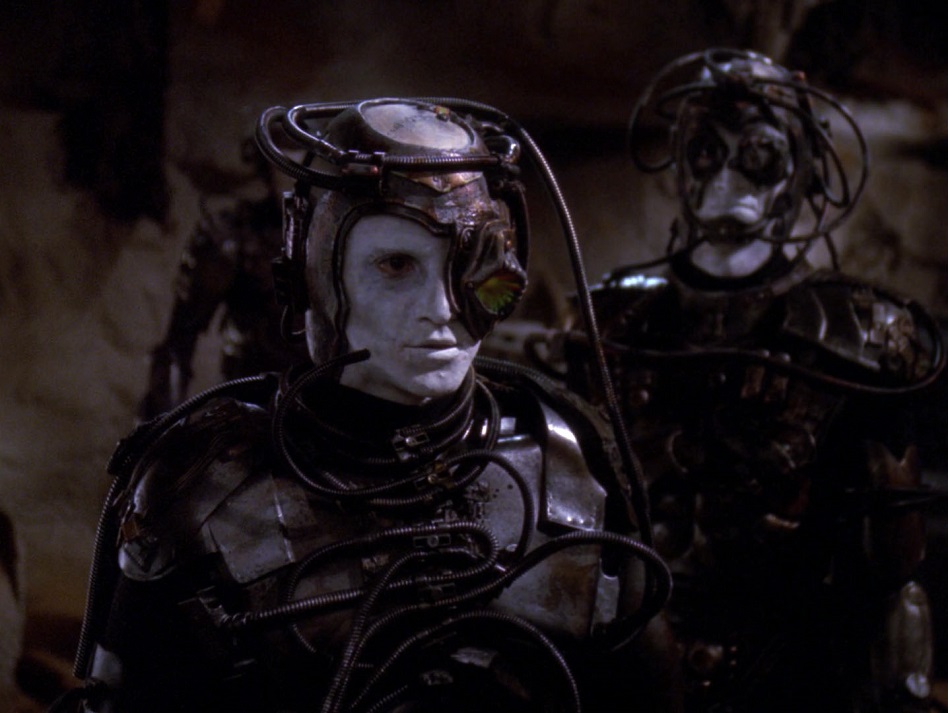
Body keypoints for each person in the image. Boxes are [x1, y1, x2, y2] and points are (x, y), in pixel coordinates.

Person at [58, 98, 679, 712]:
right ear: (318, 274)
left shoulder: (572, 463)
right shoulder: (201, 491)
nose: (439, 308)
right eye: (396, 264)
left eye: (468, 262)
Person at [549, 49, 945, 712]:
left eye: (758, 152)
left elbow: (893, 576)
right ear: (681, 164)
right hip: (628, 660)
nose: (729, 174)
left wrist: (902, 694)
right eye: (707, 149)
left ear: (799, 169)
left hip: (785, 668)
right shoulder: (610, 323)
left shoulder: (860, 336)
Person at [138, 138, 309, 420]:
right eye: (284, 163)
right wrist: (165, 425)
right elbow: (178, 344)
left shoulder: (335, 237)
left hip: (322, 412)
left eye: (301, 162)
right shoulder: (234, 238)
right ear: (267, 166)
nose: (292, 174)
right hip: (252, 408)